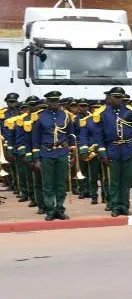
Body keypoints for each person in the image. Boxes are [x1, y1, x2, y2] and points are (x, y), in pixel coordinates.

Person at [31, 91, 74, 221]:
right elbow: (35, 139)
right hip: (46, 153)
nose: (54, 104)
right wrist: (37, 159)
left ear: (59, 102)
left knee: (61, 183)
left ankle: (60, 209)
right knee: (48, 184)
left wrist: (72, 155)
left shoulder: (66, 116)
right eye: (51, 101)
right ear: (47, 102)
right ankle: (50, 210)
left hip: (62, 153)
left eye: (56, 101)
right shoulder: (39, 117)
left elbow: (71, 136)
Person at [94, 87, 132, 217]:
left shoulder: (129, 112)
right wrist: (102, 153)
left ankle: (124, 206)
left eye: (120, 97)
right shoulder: (103, 113)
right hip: (112, 150)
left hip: (127, 149)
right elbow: (98, 136)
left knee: (126, 180)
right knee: (114, 181)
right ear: (110, 98)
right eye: (115, 97)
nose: (118, 99)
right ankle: (115, 206)